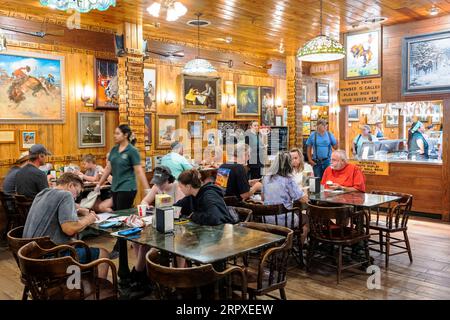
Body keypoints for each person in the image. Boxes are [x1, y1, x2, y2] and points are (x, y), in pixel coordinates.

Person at [23, 173, 110, 279]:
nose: (76, 197)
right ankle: (101, 292)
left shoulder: (43, 193)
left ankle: (76, 284)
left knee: (75, 244)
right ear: (70, 186)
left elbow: (61, 207)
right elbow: (69, 229)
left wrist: (80, 210)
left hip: (29, 257)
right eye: (77, 193)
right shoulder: (66, 195)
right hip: (49, 259)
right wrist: (88, 219)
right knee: (103, 253)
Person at [95, 125, 150, 211]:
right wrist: (99, 184)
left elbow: (139, 171)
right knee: (117, 213)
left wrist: (147, 189)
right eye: (114, 133)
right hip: (115, 188)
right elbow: (108, 169)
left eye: (117, 133)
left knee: (121, 213)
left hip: (127, 188)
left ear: (125, 135)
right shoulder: (114, 149)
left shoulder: (132, 151)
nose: (114, 136)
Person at [261, 151, 308, 245]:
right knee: (307, 220)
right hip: (284, 220)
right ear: (288, 164)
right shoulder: (288, 179)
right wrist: (305, 191)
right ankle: (300, 248)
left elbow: (263, 198)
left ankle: (283, 244)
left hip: (267, 218)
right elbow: (303, 199)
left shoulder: (266, 178)